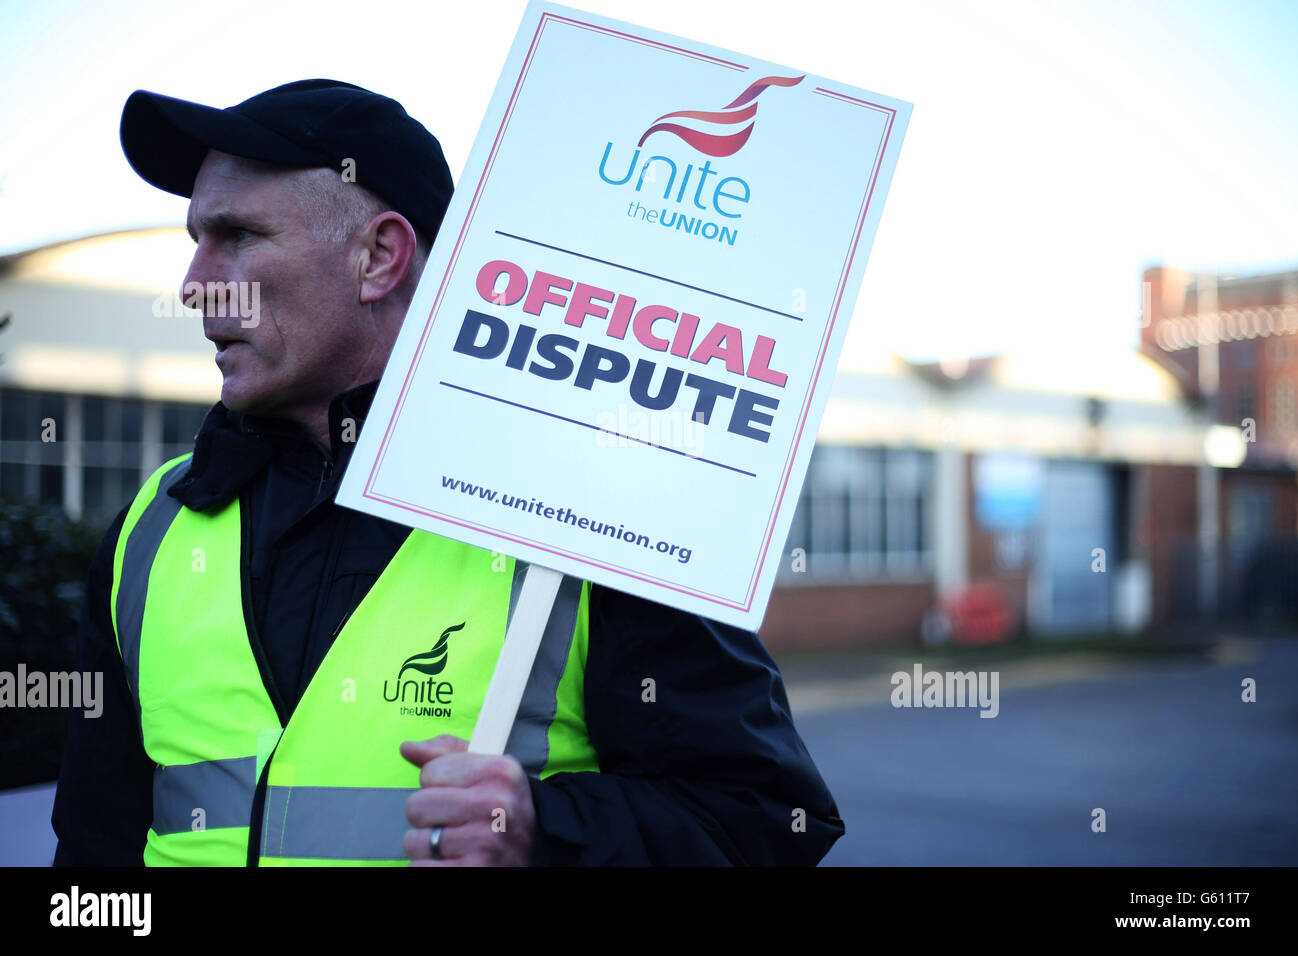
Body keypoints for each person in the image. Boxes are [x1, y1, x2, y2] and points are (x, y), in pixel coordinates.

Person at [51, 79, 843, 866]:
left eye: (239, 238)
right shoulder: (153, 528)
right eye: (195, 239)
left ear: (379, 256)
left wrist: (545, 831)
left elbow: (768, 817)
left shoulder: (592, 513)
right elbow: (94, 849)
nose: (194, 283)